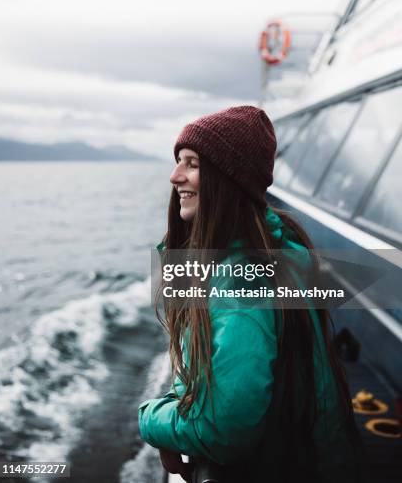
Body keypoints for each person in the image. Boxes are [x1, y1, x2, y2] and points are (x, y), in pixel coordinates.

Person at [138, 105, 363, 483]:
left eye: (191, 164)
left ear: (229, 180)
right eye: (179, 162)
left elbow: (225, 430)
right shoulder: (280, 250)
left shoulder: (241, 286)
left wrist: (150, 419)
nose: (175, 176)